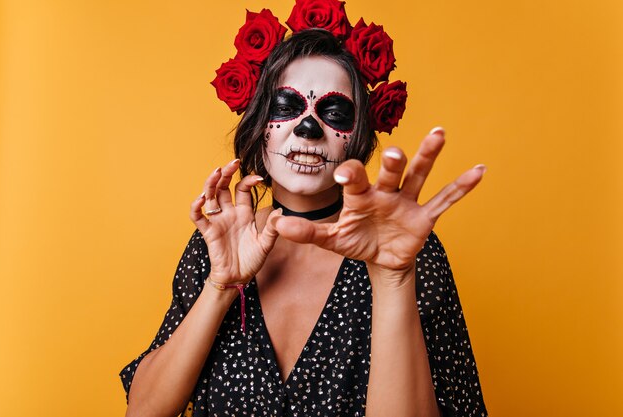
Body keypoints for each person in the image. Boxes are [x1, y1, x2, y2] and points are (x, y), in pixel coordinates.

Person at [119, 4, 488, 417]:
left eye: (332, 113)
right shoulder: (218, 243)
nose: (308, 129)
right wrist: (220, 286)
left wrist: (393, 278)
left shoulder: (408, 253)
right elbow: (144, 412)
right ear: (259, 126)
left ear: (357, 138)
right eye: (286, 106)